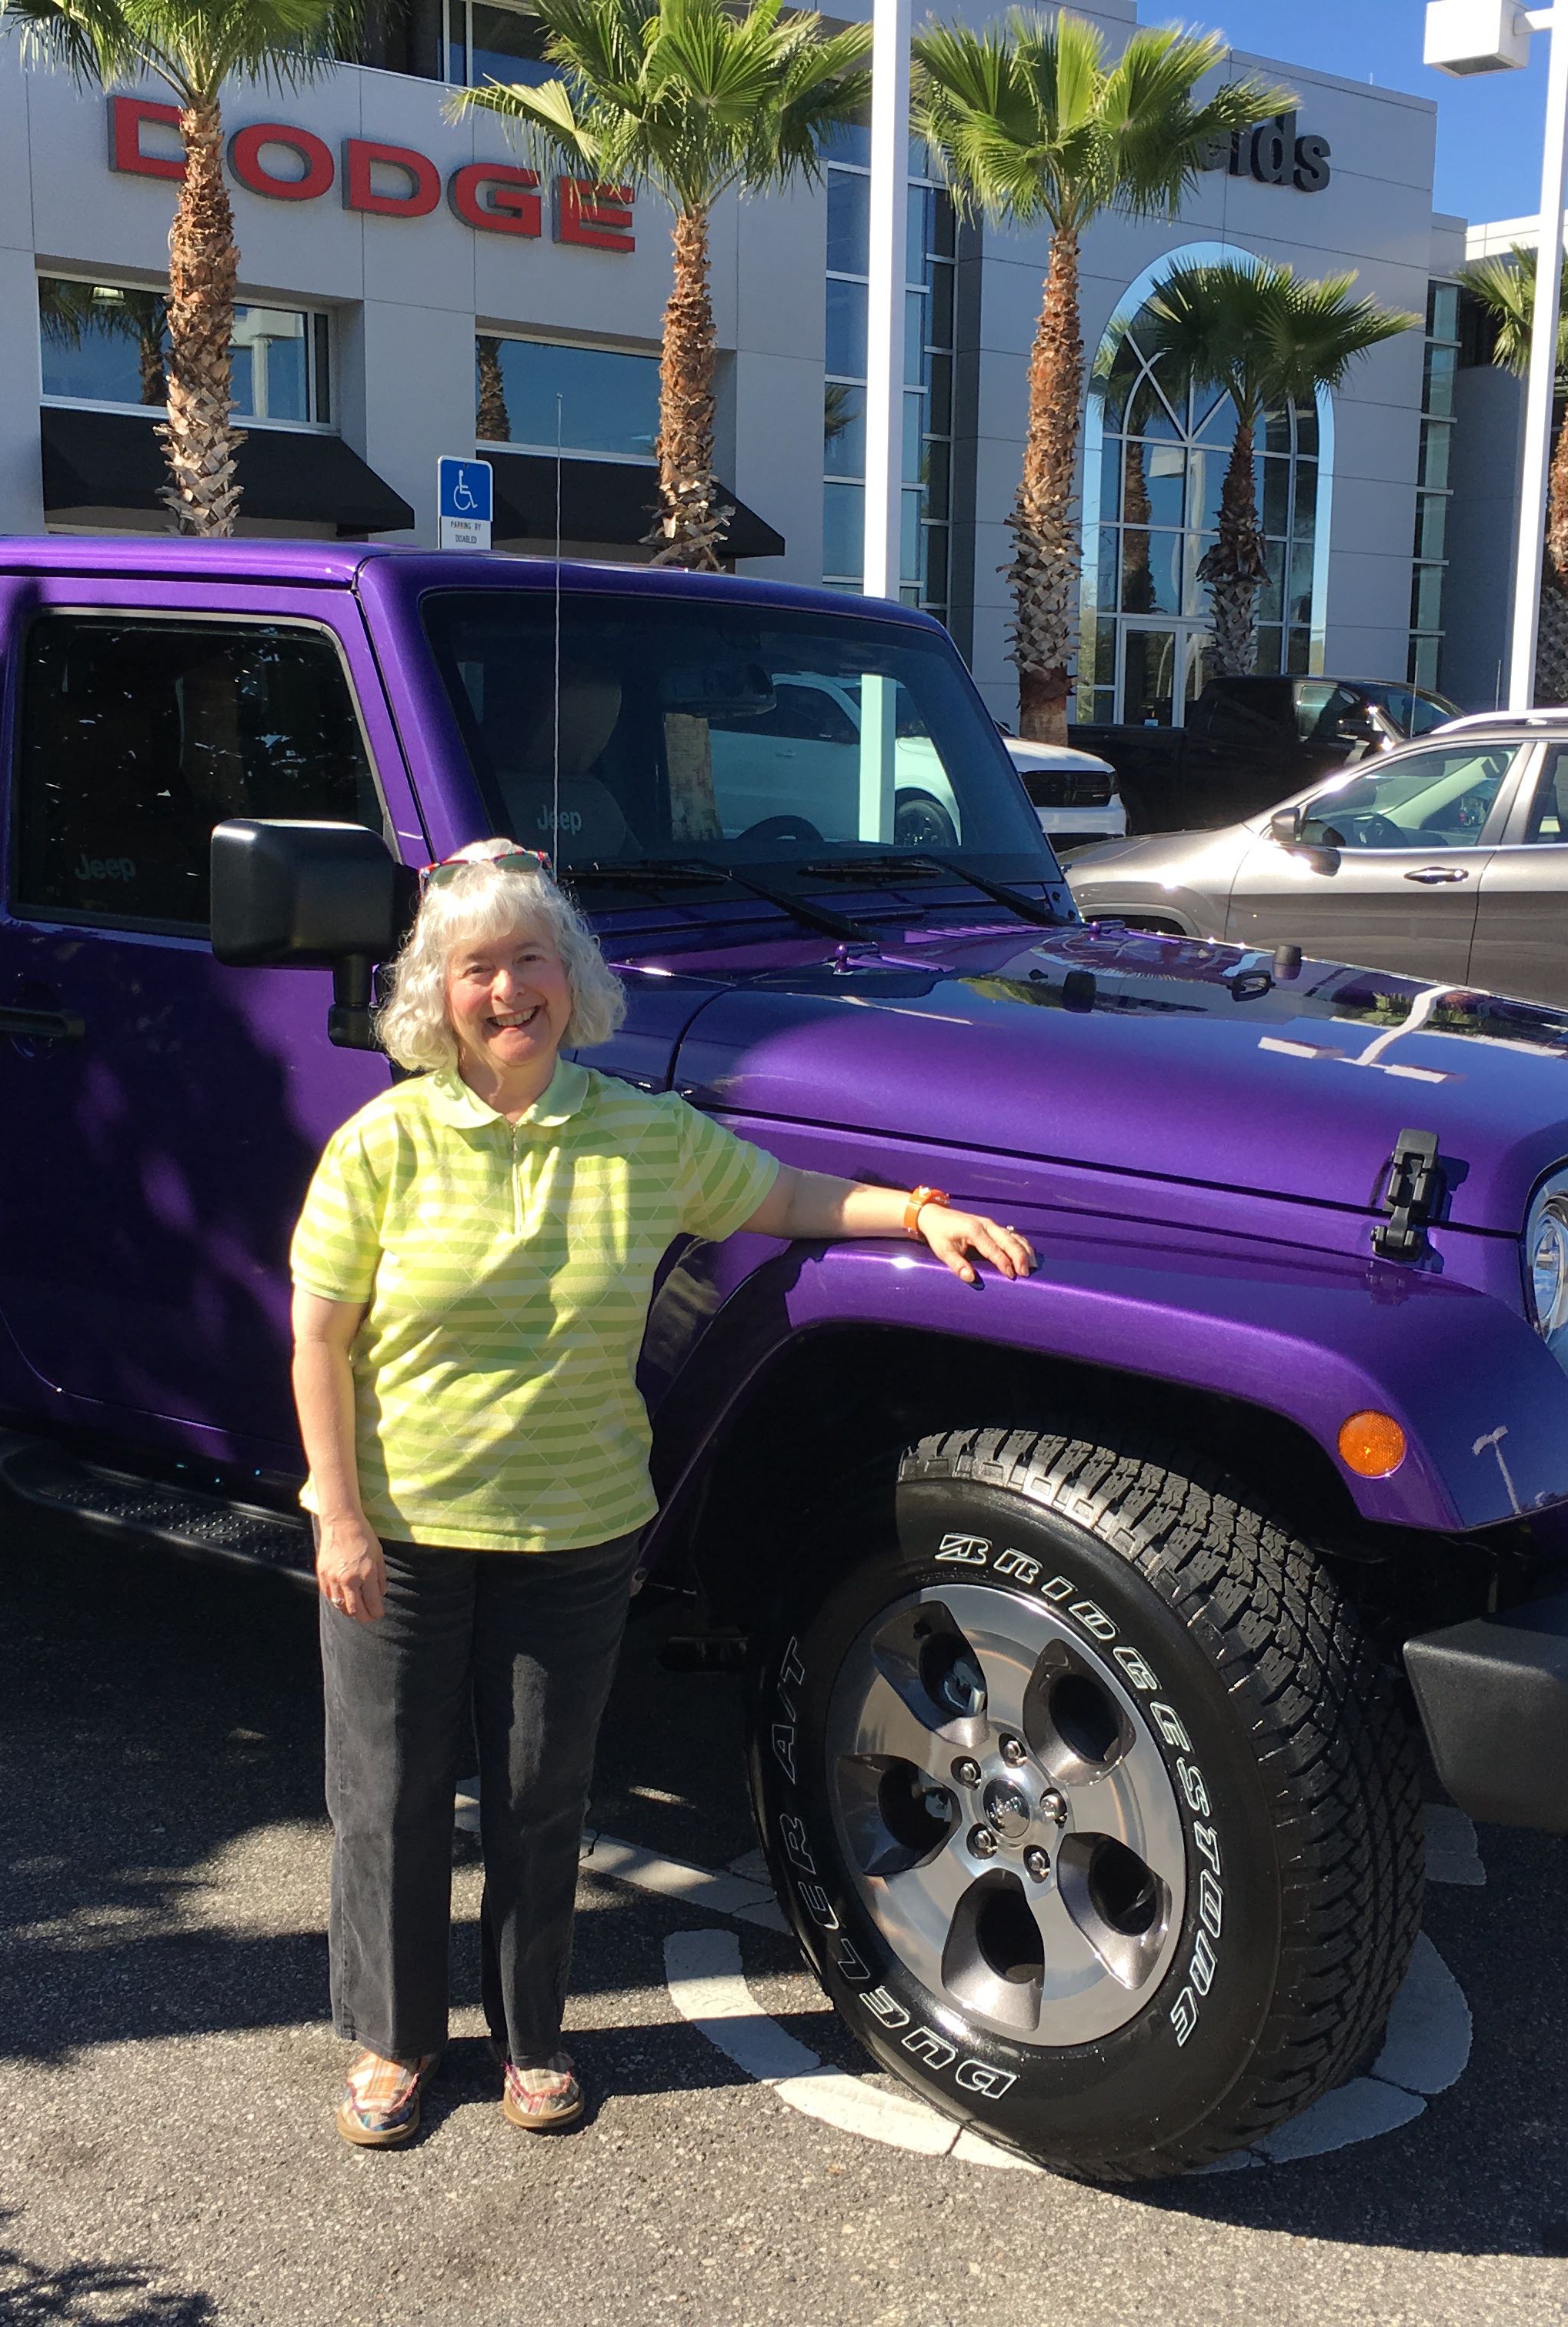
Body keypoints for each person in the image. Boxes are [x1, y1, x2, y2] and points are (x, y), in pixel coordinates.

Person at [289, 839, 1039, 2148]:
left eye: (533, 961)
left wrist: (917, 1214)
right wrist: (337, 1515)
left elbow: (789, 1196)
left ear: (571, 983)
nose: (508, 991)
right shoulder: (382, 1144)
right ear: (437, 993)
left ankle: (530, 2041)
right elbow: (319, 1342)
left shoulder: (643, 1134)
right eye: (478, 967)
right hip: (399, 1537)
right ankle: (395, 2043)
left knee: (539, 1798)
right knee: (391, 1795)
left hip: (577, 1530)